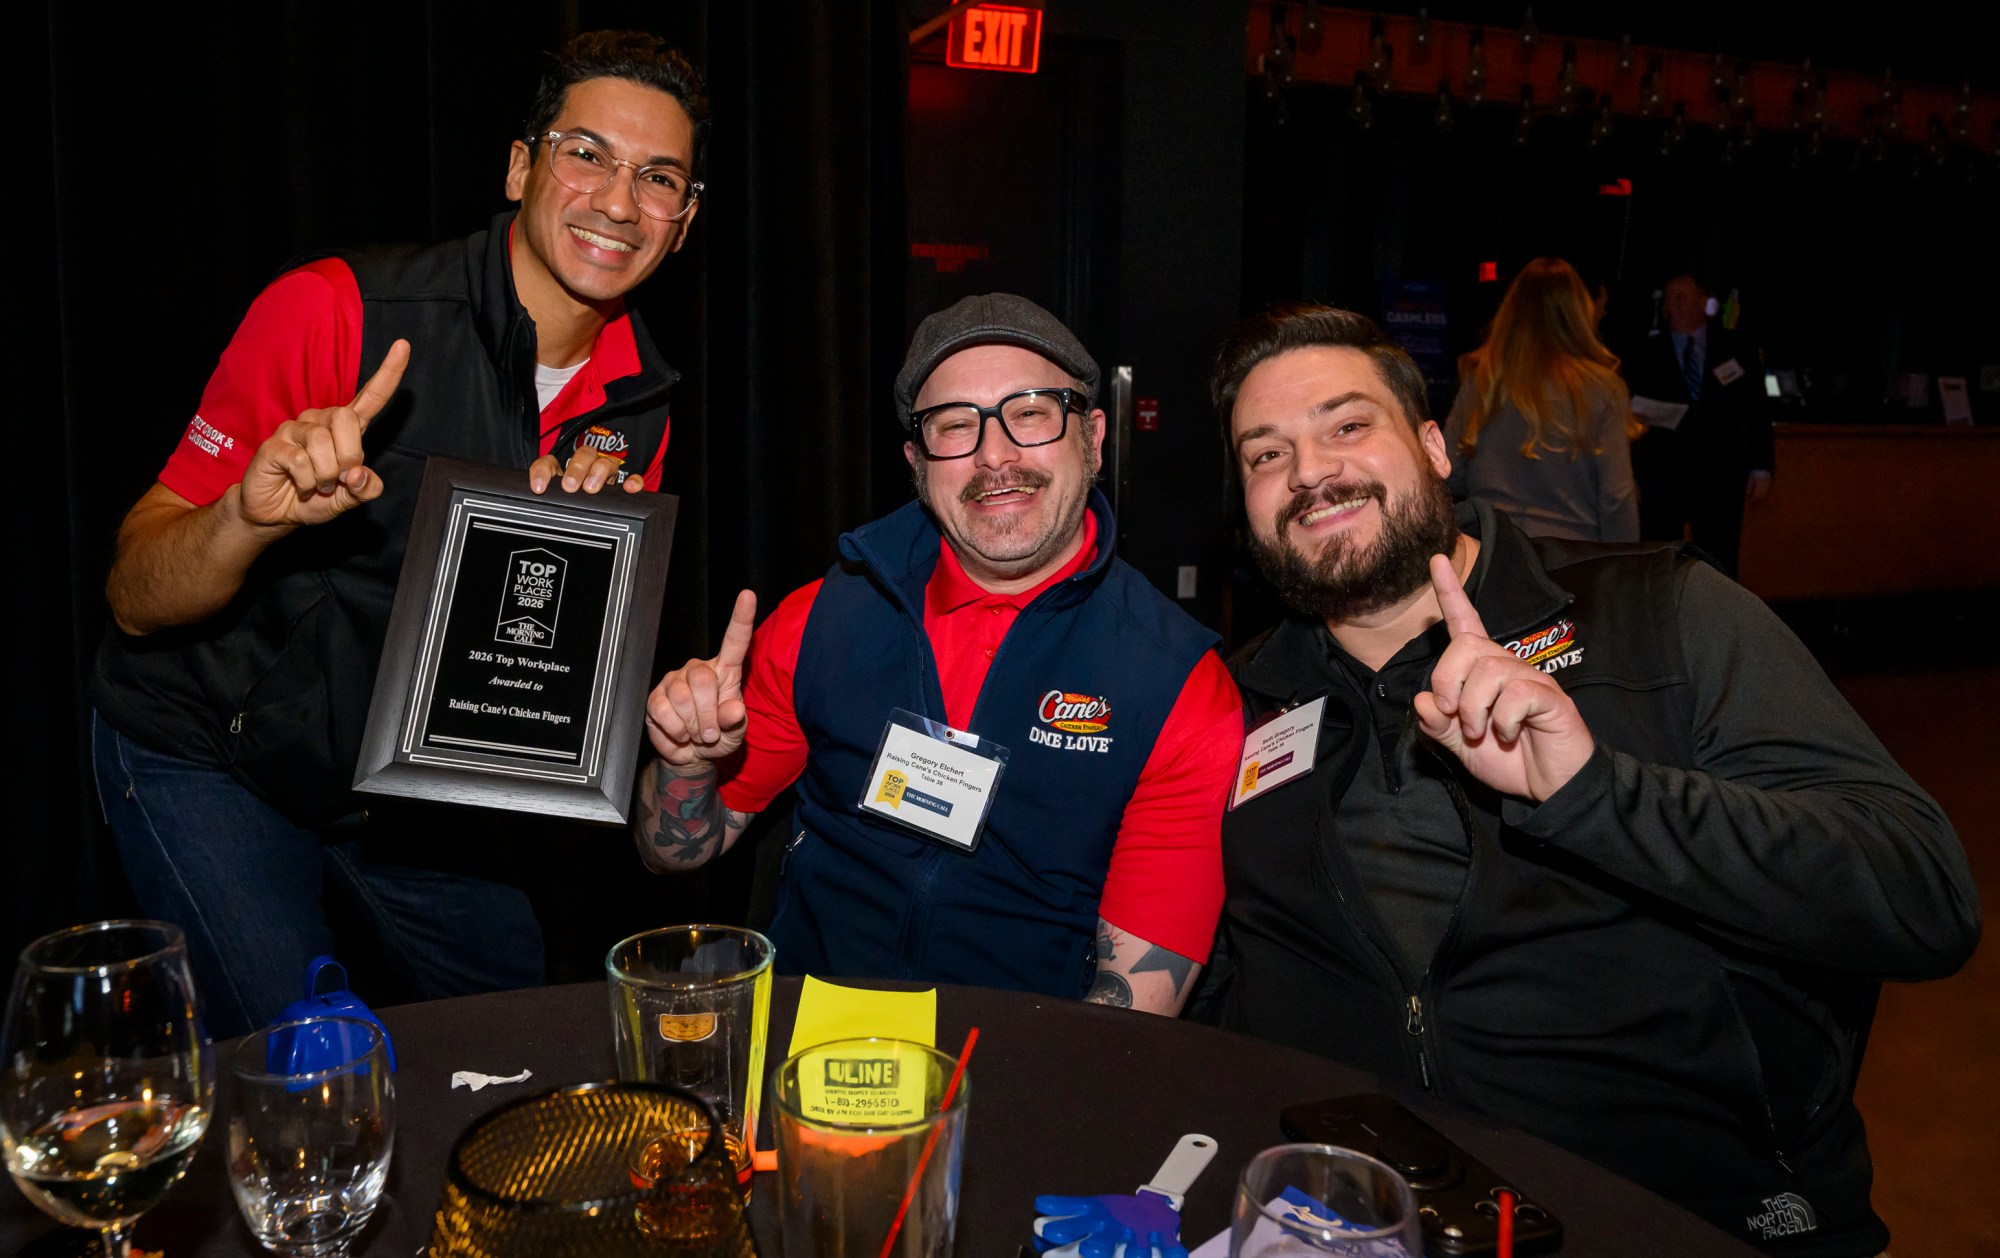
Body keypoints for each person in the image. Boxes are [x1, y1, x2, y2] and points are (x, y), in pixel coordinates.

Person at [1200, 304, 1978, 1254]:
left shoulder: (1660, 615)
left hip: (1675, 1221)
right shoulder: (1238, 701)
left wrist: (1597, 796)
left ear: (1437, 446)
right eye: (1265, 454)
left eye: (1348, 425)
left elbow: (1923, 894)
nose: (1312, 472)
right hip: (1363, 1224)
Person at [90, 31, 707, 1037]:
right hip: (208, 751)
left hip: (410, 789)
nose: (617, 199)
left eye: (658, 178)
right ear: (521, 165)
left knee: (523, 1045)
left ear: (683, 223)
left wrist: (577, 567)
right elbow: (133, 596)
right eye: (585, 152)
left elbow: (523, 675)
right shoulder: (334, 311)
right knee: (312, 1065)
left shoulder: (640, 398)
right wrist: (244, 517)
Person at [635, 294, 1242, 1015]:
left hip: (1022, 1065)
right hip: (810, 1040)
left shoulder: (1174, 682)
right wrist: (685, 764)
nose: (995, 455)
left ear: (1094, 436)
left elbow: (1133, 1011)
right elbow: (674, 853)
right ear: (918, 464)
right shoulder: (823, 618)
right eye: (955, 426)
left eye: (1031, 412)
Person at [1444, 258, 1640, 542]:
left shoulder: (1483, 378)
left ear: (1511, 312)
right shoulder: (1602, 387)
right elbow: (1616, 498)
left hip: (1492, 548)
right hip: (1572, 558)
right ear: (1577, 313)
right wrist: (1625, 567)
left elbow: (1448, 470)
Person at [1623, 272, 1775, 574]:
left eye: (1680, 297)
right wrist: (1630, 475)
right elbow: (1627, 413)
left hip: (1721, 472)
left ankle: (1717, 617)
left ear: (1703, 302)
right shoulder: (1646, 350)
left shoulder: (1734, 347)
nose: (1672, 305)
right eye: (1668, 298)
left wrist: (1762, 466)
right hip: (1663, 471)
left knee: (1720, 555)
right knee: (1658, 555)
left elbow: (1755, 408)